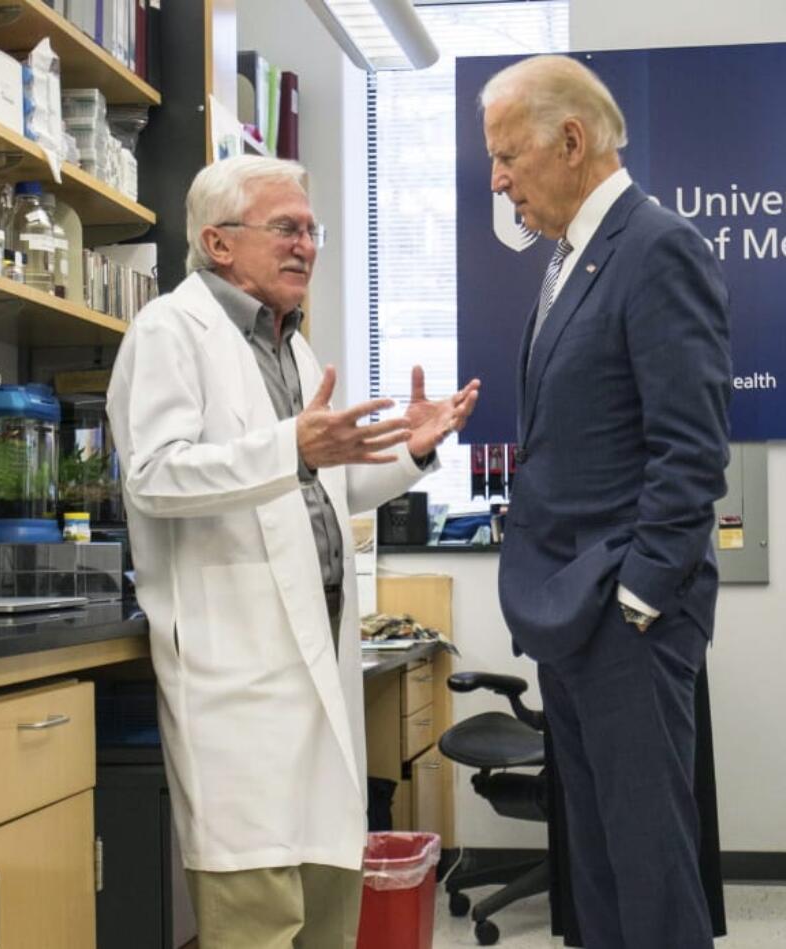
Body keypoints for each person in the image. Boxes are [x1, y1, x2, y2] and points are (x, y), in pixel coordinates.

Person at [106, 155, 478, 949]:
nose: (306, 245)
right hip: (234, 673)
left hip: (317, 665)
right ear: (218, 241)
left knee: (326, 908)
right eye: (286, 228)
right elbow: (153, 475)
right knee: (258, 917)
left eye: (312, 230)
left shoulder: (293, 349)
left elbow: (319, 492)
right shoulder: (170, 332)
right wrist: (292, 449)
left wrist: (408, 454)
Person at [483, 55, 732, 949]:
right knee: (594, 869)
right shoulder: (568, 261)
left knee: (648, 864)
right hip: (573, 613)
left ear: (572, 141)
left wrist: (638, 596)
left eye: (509, 155)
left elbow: (692, 449)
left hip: (626, 615)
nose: (499, 178)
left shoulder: (656, 245)